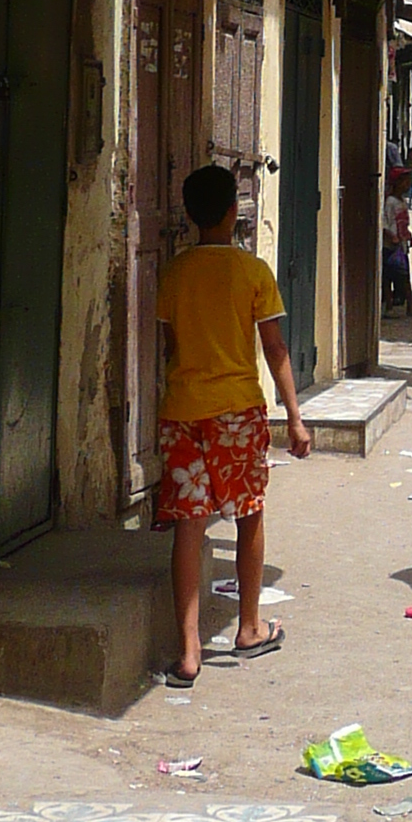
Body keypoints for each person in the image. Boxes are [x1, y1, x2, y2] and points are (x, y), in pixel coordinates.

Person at [155, 162, 310, 686]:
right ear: (233, 211)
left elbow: (171, 344)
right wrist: (294, 414)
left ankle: (189, 650)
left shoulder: (173, 272)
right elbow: (275, 348)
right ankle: (248, 626)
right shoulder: (252, 271)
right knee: (248, 515)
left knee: (189, 525)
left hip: (183, 410)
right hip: (237, 412)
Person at [381, 163, 412, 316]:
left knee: (404, 275)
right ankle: (389, 306)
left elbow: (403, 222)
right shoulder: (390, 202)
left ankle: (410, 306)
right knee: (388, 276)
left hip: (401, 244)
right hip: (391, 246)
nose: (407, 184)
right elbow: (385, 223)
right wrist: (392, 236)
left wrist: (408, 235)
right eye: (404, 181)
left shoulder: (402, 202)